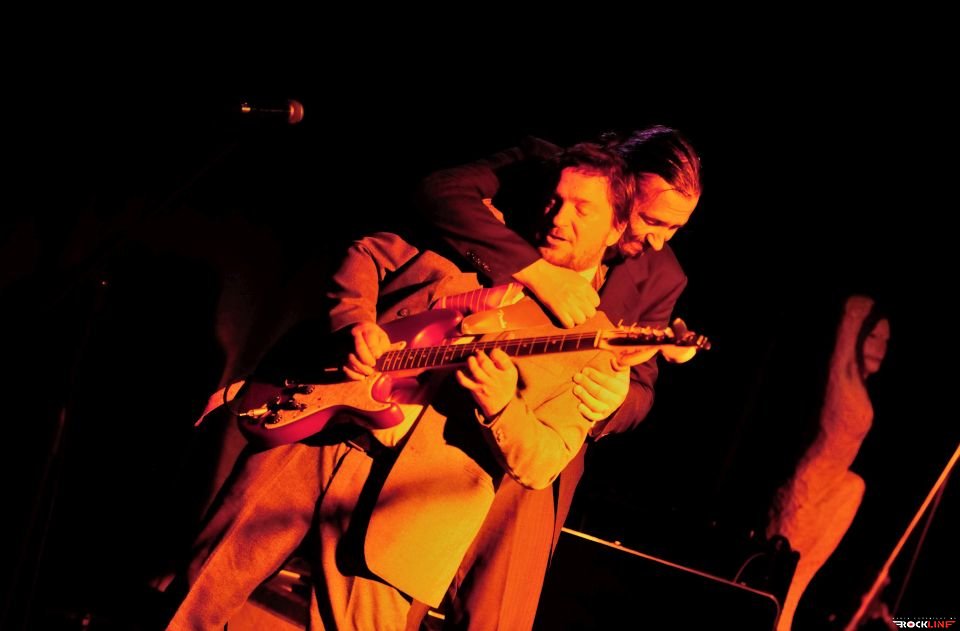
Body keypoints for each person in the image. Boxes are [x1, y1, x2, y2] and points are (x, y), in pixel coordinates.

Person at [164, 137, 698, 630]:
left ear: (614, 226)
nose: (558, 217)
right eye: (557, 202)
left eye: (582, 210)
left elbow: (548, 456)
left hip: (414, 495)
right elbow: (379, 245)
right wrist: (355, 324)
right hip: (319, 434)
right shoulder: (492, 231)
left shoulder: (599, 335)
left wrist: (509, 406)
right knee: (194, 598)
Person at [414, 126, 702, 628]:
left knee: (496, 616)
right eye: (652, 219)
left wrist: (615, 398)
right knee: (396, 591)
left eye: (674, 228)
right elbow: (439, 191)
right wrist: (536, 272)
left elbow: (643, 389)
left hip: (537, 463)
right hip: (448, 416)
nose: (659, 240)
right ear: (620, 184)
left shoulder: (663, 274)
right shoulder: (547, 170)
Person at [765, 295, 891, 631]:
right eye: (873, 336)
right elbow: (849, 327)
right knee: (780, 580)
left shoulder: (857, 385)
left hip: (834, 489)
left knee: (855, 485)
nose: (881, 348)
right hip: (809, 487)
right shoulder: (843, 379)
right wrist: (853, 315)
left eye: (886, 341)